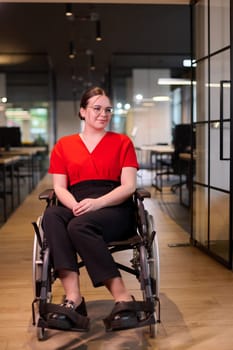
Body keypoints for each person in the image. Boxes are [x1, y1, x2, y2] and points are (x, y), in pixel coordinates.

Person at [42, 86, 152, 332]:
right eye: (97, 108)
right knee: (52, 215)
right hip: (77, 202)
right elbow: (59, 187)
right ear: (82, 112)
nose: (104, 114)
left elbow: (129, 186)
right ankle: (74, 298)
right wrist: (76, 205)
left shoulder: (122, 142)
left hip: (114, 207)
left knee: (79, 224)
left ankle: (123, 297)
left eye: (108, 110)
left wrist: (98, 203)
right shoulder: (64, 145)